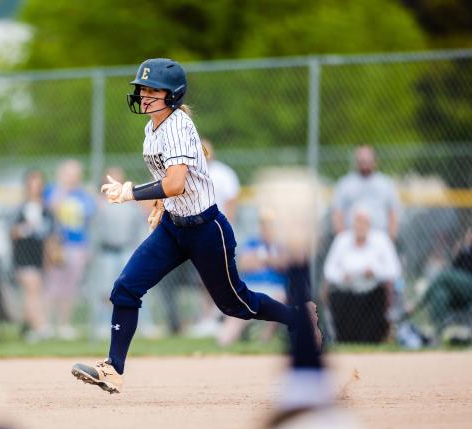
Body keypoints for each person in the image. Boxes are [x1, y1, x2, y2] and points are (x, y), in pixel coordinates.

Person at [71, 58, 320, 394]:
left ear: (171, 94)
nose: (143, 95)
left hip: (206, 229)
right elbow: (169, 182)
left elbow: (175, 183)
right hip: (174, 229)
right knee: (126, 288)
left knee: (235, 304)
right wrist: (159, 204)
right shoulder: (152, 128)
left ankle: (297, 317)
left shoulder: (178, 126)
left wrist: (131, 192)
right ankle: (113, 369)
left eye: (152, 89)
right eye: (141, 88)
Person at [188, 138, 242, 338]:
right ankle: (208, 317)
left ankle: (225, 315)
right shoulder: (190, 173)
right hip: (199, 232)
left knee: (223, 274)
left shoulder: (224, 173)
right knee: (203, 277)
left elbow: (231, 202)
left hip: (218, 230)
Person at [323, 206, 402, 343]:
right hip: (346, 294)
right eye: (357, 221)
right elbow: (329, 270)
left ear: (370, 224)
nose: (360, 226)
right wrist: (342, 276)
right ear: (352, 223)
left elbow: (394, 269)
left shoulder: (381, 240)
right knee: (346, 338)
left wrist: (375, 272)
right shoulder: (342, 240)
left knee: (370, 337)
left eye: (364, 222)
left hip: (372, 295)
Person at [90, 166, 151, 339]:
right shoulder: (100, 202)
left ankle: (143, 324)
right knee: (106, 289)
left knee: (133, 286)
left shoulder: (129, 200)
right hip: (107, 251)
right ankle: (103, 324)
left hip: (127, 249)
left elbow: (140, 224)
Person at [217, 207, 287, 346]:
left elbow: (284, 264)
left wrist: (261, 258)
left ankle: (263, 342)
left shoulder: (282, 243)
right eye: (264, 225)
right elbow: (245, 264)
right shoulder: (252, 242)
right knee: (238, 306)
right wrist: (270, 259)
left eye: (270, 225)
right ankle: (223, 344)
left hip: (274, 289)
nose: (266, 228)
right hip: (251, 287)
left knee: (278, 299)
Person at [44, 159, 95, 340]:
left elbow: (89, 214)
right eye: (69, 173)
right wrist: (63, 188)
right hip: (57, 245)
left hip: (77, 245)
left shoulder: (83, 195)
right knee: (53, 285)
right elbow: (51, 207)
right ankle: (47, 325)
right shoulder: (52, 190)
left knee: (70, 287)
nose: (73, 177)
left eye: (75, 174)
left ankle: (64, 325)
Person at [10, 169, 55, 341]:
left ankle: (29, 327)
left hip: (39, 255)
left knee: (35, 292)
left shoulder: (45, 209)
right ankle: (40, 326)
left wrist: (50, 256)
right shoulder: (21, 208)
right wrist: (25, 228)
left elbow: (51, 235)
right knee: (32, 287)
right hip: (23, 254)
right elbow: (11, 231)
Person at [408, 226, 472, 338]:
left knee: (444, 275)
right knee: (441, 294)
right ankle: (436, 334)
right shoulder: (464, 251)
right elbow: (454, 269)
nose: (470, 236)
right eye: (469, 234)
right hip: (458, 289)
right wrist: (457, 253)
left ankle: (417, 304)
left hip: (469, 287)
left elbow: (451, 274)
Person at [331, 144, 401, 241]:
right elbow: (337, 213)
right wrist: (342, 239)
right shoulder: (345, 184)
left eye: (368, 160)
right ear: (356, 162)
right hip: (352, 239)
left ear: (375, 162)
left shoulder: (385, 184)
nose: (365, 164)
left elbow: (393, 213)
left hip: (380, 237)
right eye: (362, 161)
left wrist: (390, 239)